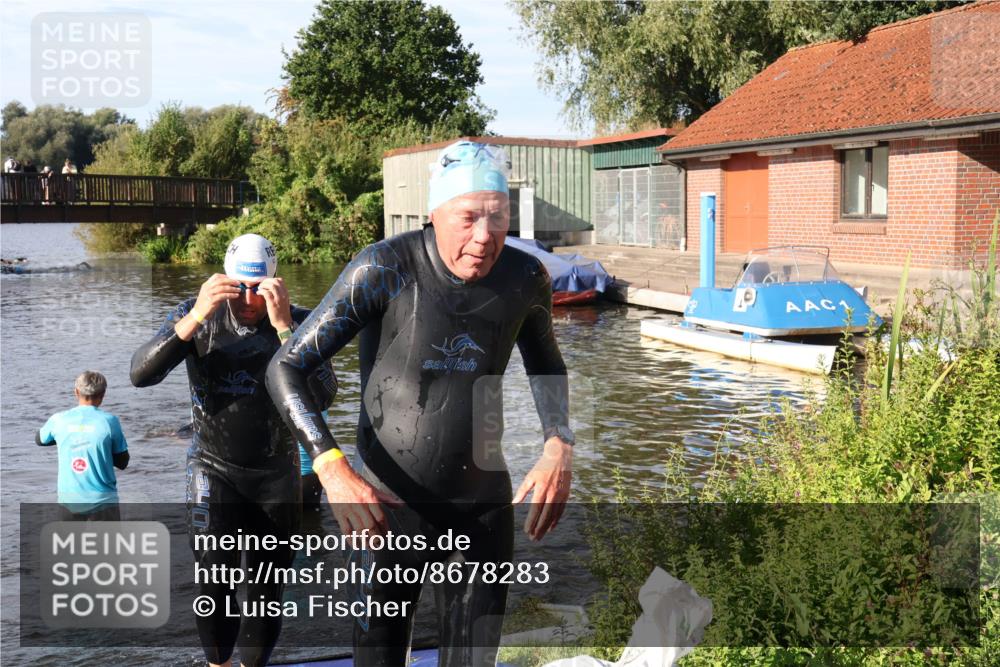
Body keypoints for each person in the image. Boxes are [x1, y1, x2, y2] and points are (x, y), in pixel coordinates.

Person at [266, 141, 574, 666]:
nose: (484, 236)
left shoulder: (526, 279)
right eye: (468, 217)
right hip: (384, 510)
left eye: (498, 217)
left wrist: (557, 445)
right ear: (434, 214)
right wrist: (332, 468)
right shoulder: (383, 269)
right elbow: (285, 368)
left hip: (480, 510)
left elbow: (546, 364)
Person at [130, 233, 336, 667]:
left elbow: (324, 394)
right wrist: (196, 317)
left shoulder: (295, 321)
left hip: (275, 475)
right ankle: (217, 664)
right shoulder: (197, 314)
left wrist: (284, 329)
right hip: (212, 468)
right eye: (239, 285)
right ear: (224, 278)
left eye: (258, 288)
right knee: (213, 584)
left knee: (266, 592)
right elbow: (141, 374)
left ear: (274, 283)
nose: (247, 298)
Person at [37, 371, 130, 521]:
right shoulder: (110, 421)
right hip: (103, 503)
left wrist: (66, 438)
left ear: (76, 392)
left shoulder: (58, 420)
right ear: (103, 394)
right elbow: (123, 462)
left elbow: (40, 440)